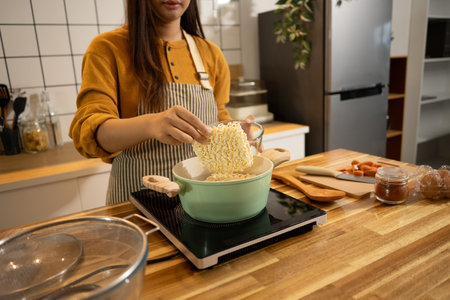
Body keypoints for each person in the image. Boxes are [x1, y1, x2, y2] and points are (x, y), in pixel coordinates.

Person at [69, 0, 233, 205]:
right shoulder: (107, 48)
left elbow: (218, 115)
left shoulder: (210, 52)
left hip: (205, 199)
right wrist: (152, 124)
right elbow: (89, 135)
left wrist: (238, 133)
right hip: (139, 202)